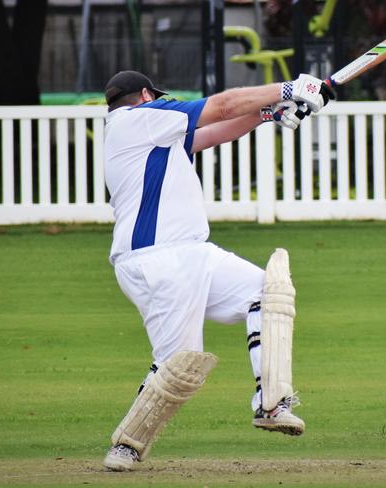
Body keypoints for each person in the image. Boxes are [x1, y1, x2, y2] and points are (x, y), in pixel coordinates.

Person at [101, 70, 335, 471]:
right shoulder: (137, 119)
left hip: (193, 253)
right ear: (145, 95)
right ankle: (127, 444)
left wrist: (271, 112)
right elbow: (223, 105)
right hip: (160, 259)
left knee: (268, 293)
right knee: (179, 365)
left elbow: (221, 130)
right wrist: (288, 90)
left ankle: (272, 403)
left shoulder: (155, 135)